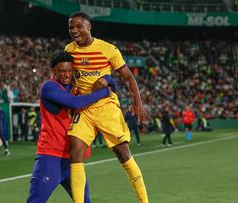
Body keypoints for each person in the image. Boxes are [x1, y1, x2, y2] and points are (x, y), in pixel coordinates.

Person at [65, 11, 149, 203]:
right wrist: (72, 89)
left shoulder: (108, 49)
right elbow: (68, 76)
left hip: (106, 106)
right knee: (75, 153)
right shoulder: (69, 50)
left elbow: (127, 76)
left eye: (79, 26)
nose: (75, 30)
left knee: (123, 153)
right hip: (83, 108)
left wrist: (137, 101)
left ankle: (144, 201)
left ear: (89, 27)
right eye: (71, 27)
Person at [27, 51, 115, 203]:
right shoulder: (49, 87)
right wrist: (105, 91)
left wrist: (108, 78)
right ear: (53, 71)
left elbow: (113, 81)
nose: (67, 74)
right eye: (62, 71)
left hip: (73, 158)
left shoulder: (73, 86)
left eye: (69, 70)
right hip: (51, 157)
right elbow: (75, 103)